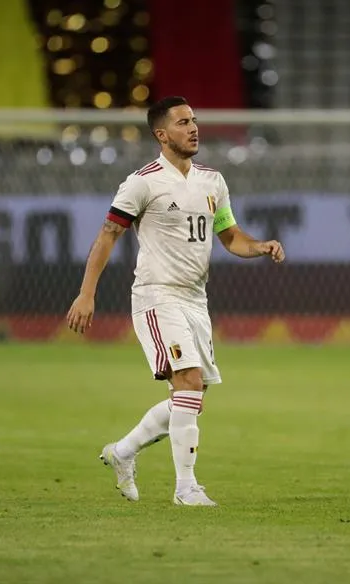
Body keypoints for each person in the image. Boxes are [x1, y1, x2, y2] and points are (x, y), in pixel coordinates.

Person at [66, 96, 285, 506]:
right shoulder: (142, 182)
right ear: (162, 135)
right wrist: (86, 292)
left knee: (191, 397)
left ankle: (123, 451)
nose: (194, 127)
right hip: (156, 296)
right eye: (183, 122)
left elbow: (230, 237)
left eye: (195, 120)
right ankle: (186, 489)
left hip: (194, 300)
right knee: (188, 383)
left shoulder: (212, 181)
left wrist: (260, 247)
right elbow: (108, 235)